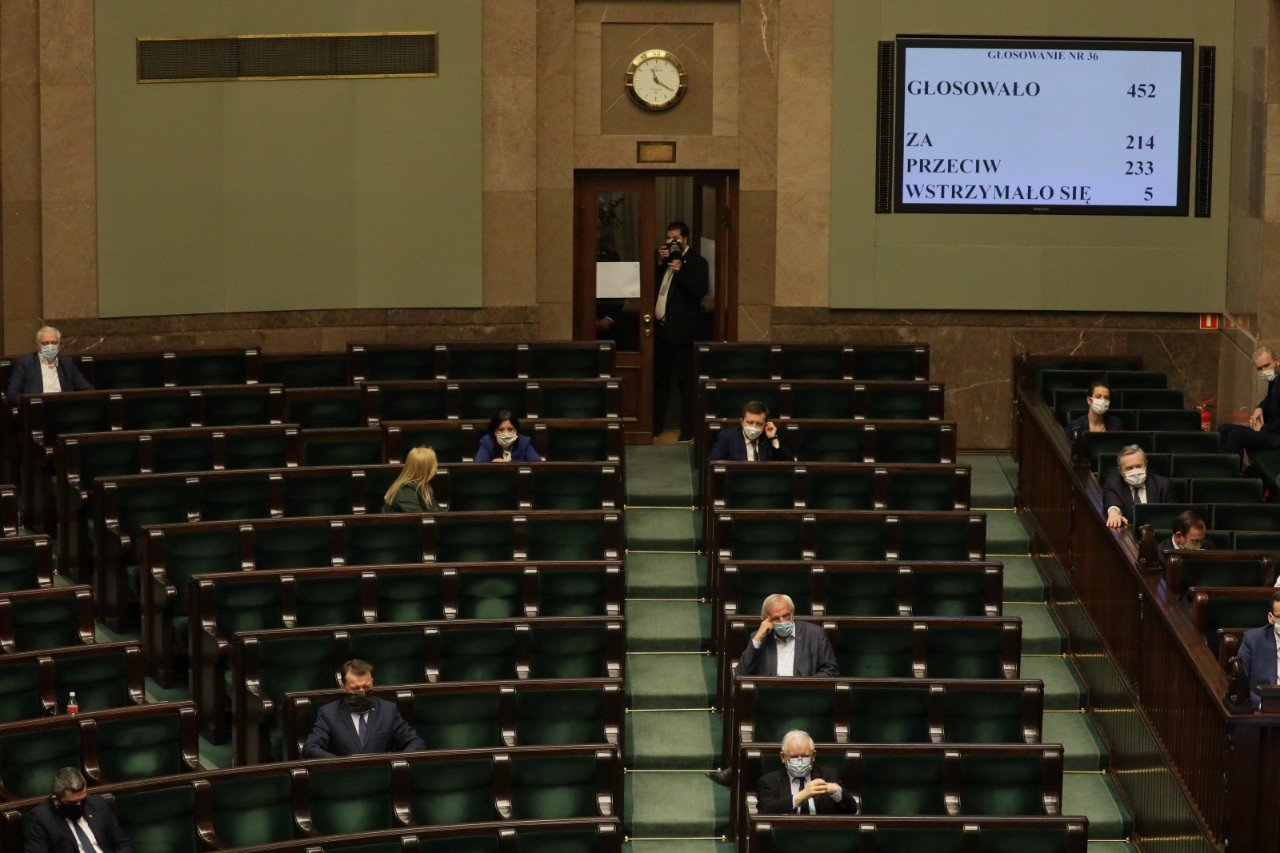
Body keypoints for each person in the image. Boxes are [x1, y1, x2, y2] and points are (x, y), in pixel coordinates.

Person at [707, 594, 840, 788]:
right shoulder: (758, 638)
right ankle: (741, 772)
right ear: (766, 620)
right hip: (770, 705)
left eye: (786, 616)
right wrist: (758, 638)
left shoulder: (815, 634)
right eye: (776, 619)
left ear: (793, 615)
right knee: (749, 712)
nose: (783, 621)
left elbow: (830, 671)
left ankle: (737, 771)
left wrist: (802, 686)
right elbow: (740, 675)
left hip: (806, 702)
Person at [652, 220, 709, 443]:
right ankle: (655, 427)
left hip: (684, 336)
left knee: (686, 385)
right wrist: (659, 261)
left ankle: (688, 431)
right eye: (668, 238)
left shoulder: (697, 262)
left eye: (675, 239)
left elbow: (699, 291)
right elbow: (653, 287)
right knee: (660, 383)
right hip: (661, 333)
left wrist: (681, 272)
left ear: (685, 240)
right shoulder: (664, 261)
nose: (671, 242)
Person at [302, 659, 426, 758]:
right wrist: (340, 764)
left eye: (366, 687)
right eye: (355, 688)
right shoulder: (328, 713)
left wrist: (393, 761)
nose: (361, 692)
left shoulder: (388, 711)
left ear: (372, 682)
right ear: (343, 687)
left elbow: (415, 742)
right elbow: (311, 748)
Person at [23, 766, 134, 852]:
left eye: (83, 800)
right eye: (72, 802)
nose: (79, 805)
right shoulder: (40, 818)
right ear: (56, 799)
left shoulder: (97, 803)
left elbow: (122, 843)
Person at [755, 730, 856, 816]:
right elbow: (765, 810)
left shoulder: (829, 776)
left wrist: (837, 791)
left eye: (805, 756)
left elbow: (851, 810)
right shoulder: (769, 781)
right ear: (783, 757)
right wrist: (802, 795)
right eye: (794, 757)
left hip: (823, 834)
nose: (800, 761)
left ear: (813, 755)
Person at [6, 325, 92, 404]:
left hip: (63, 409)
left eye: (54, 343)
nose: (50, 346)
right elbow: (12, 395)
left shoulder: (67, 363)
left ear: (59, 346)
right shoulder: (25, 363)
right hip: (37, 409)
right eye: (45, 343)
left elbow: (87, 389)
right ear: (37, 346)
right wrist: (30, 403)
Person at [1102, 444, 1178, 529]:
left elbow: (1172, 516)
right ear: (1120, 470)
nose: (1135, 471)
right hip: (1127, 535)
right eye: (1129, 468)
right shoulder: (1113, 484)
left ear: (1145, 465)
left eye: (1138, 466)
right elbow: (1112, 503)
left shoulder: (1163, 484)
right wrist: (1114, 513)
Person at [707, 401, 794, 462]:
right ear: (742, 422)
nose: (754, 427)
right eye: (750, 422)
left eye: (759, 424)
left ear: (765, 424)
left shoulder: (769, 438)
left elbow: (789, 463)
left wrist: (774, 439)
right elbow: (714, 460)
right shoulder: (728, 436)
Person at [1237, 592, 1280, 708]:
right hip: (1265, 713)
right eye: (1279, 616)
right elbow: (1240, 684)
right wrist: (1263, 705)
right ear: (1271, 618)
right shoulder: (1252, 641)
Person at [382, 446, 438, 513]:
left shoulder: (422, 485)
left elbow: (436, 510)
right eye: (434, 464)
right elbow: (418, 518)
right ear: (425, 469)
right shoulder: (406, 490)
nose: (436, 467)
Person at [474, 410, 542, 463]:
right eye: (501, 430)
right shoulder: (487, 442)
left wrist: (508, 463)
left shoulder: (524, 442)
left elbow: (536, 463)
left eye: (510, 429)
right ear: (494, 431)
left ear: (516, 430)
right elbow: (479, 463)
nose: (506, 433)